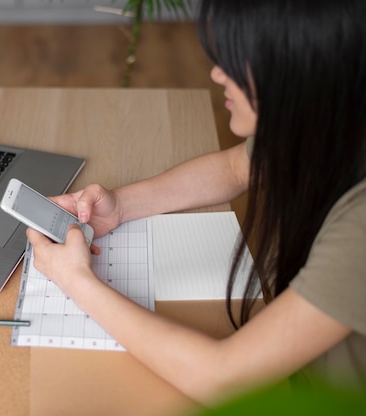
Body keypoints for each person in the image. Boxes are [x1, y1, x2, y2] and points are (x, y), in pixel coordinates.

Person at [26, 0, 366, 405]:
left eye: (242, 59)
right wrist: (121, 207)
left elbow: (224, 378)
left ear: (307, 68)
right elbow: (237, 168)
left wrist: (76, 282)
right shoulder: (329, 125)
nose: (217, 72)